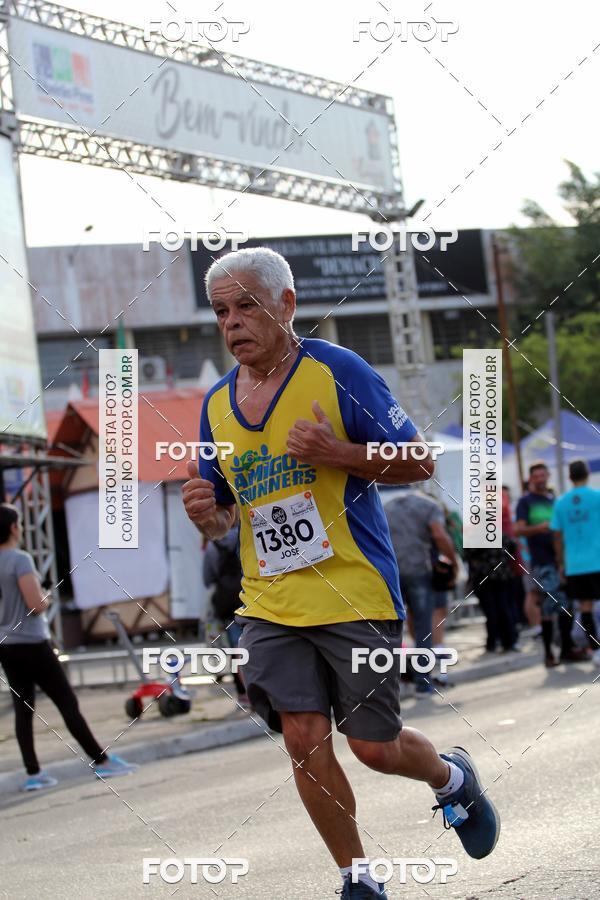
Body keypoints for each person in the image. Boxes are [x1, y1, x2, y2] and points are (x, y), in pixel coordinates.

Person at [182, 247, 500, 899]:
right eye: (220, 311)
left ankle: (452, 778)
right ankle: (358, 879)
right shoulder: (215, 406)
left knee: (374, 747)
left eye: (246, 305)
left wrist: (339, 452)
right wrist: (206, 515)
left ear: (287, 304)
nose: (232, 322)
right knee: (303, 739)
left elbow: (419, 460)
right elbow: (222, 520)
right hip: (268, 603)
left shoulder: (338, 372)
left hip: (354, 591)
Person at [0, 503, 137, 791]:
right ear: (13, 527)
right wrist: (46, 596)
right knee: (67, 703)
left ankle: (33, 773)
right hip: (33, 642)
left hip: (7, 644)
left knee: (23, 710)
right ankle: (101, 761)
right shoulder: (20, 560)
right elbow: (35, 605)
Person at [384, 489, 458, 694]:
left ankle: (392, 683)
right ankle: (422, 682)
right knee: (423, 626)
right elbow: (439, 535)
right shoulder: (430, 505)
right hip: (419, 570)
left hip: (391, 572)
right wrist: (453, 562)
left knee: (391, 628)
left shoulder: (387, 507)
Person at [515, 463, 588, 667]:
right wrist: (540, 527)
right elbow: (518, 530)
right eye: (536, 476)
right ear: (531, 479)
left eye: (543, 475)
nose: (540, 479)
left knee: (567, 604)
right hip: (542, 561)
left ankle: (566, 649)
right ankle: (548, 653)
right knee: (548, 606)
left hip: (562, 560)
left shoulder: (555, 500)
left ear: (548, 475)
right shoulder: (525, 502)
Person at [551, 459, 600, 663]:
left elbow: (557, 536)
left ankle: (595, 650)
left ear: (570, 476)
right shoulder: (597, 496)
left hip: (575, 564)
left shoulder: (561, 502)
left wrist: (561, 563)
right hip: (597, 559)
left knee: (585, 606)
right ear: (587, 474)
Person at [202, 522, 251, 705]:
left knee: (236, 650)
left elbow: (207, 579)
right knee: (257, 645)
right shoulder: (246, 535)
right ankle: (265, 692)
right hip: (251, 598)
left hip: (228, 604)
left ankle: (245, 694)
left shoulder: (212, 546)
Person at [463, 543, 519, 653]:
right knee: (502, 608)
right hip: (501, 575)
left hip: (487, 576)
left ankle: (496, 641)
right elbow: (512, 546)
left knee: (493, 610)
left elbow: (469, 555)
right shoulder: (498, 535)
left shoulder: (476, 538)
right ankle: (508, 640)